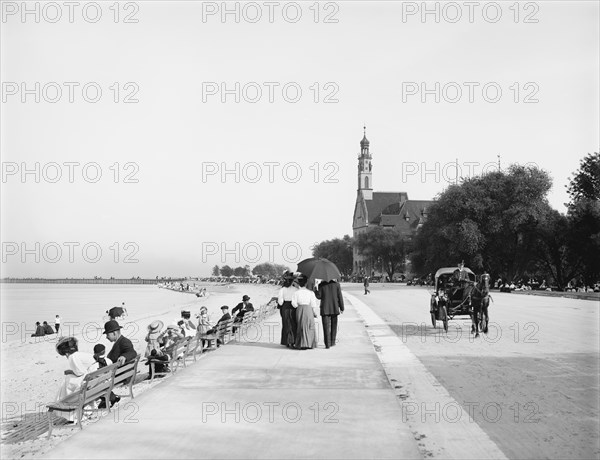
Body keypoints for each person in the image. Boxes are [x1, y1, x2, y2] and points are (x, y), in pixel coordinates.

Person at [55, 337, 98, 422]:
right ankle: (68, 409)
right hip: (95, 379)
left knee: (67, 381)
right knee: (68, 379)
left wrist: (71, 372)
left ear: (65, 352)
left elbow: (80, 373)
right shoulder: (79, 354)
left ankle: (66, 409)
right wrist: (72, 372)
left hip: (89, 381)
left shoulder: (72, 357)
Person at [102, 320, 136, 408]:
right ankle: (109, 398)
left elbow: (132, 352)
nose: (106, 337)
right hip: (121, 374)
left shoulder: (124, 342)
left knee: (97, 382)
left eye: (107, 334)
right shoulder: (120, 341)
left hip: (121, 377)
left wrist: (125, 356)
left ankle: (110, 398)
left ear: (114, 333)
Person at [316, 280, 344, 349]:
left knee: (326, 327)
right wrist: (342, 307)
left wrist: (315, 290)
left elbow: (319, 296)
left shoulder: (321, 285)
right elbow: (340, 296)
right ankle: (332, 341)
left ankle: (327, 344)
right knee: (334, 326)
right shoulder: (337, 285)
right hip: (334, 307)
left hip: (325, 308)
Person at [292, 275, 318, 350]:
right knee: (310, 326)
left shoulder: (296, 293)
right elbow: (313, 304)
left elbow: (294, 304)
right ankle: (310, 343)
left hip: (300, 309)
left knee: (301, 326)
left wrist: (298, 307)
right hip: (308, 309)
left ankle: (301, 343)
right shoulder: (310, 293)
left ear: (299, 284)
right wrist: (314, 312)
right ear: (306, 283)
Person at [278, 272, 298, 348]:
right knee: (293, 324)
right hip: (293, 307)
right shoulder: (296, 289)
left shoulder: (282, 289)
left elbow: (280, 302)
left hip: (285, 307)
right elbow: (296, 301)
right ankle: (293, 341)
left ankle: (286, 341)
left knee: (286, 324)